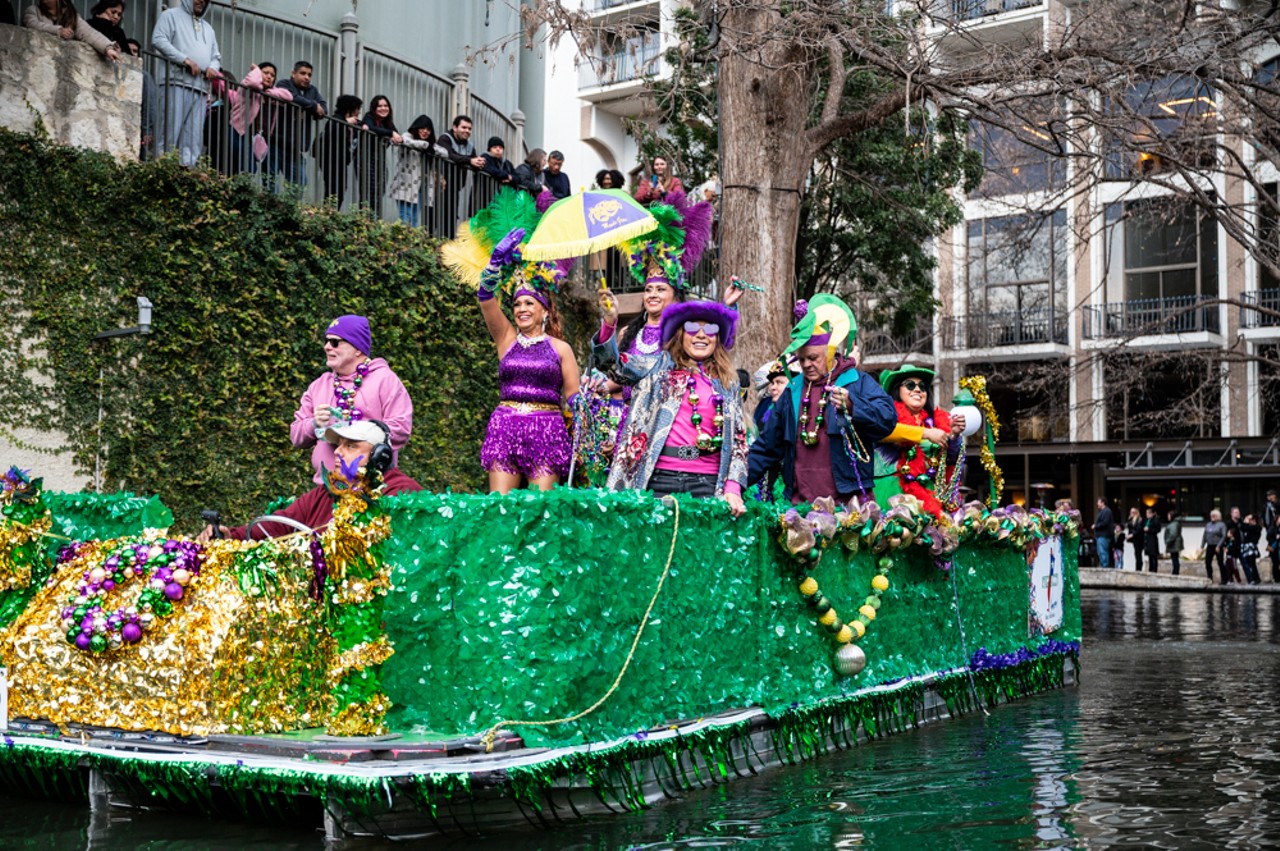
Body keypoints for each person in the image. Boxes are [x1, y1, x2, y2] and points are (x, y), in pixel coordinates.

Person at [595, 299, 747, 516]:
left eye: (711, 329)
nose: (701, 335)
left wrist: (732, 488)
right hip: (657, 479)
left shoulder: (728, 383)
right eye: (692, 327)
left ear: (718, 338)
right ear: (680, 335)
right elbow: (612, 365)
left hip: (709, 483)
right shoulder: (656, 366)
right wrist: (609, 323)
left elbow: (740, 441)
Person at [747, 295, 898, 505]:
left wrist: (853, 406)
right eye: (801, 359)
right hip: (800, 507)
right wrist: (734, 486)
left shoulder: (856, 381)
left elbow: (888, 420)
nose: (806, 365)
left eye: (813, 358)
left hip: (849, 508)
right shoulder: (792, 390)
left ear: (829, 352)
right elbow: (767, 446)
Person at [475, 229, 580, 494]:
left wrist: (584, 408)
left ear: (544, 309)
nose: (522, 309)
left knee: (540, 512)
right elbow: (485, 298)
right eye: (517, 304)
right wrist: (494, 264)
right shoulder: (506, 339)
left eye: (529, 303)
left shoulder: (561, 348)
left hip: (547, 431)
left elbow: (574, 396)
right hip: (505, 429)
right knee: (500, 507)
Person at [198, 421, 421, 541]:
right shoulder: (328, 491)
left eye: (351, 446)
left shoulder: (401, 493)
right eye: (338, 444)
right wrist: (232, 536)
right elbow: (280, 522)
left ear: (379, 457)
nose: (338, 452)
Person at [291, 314, 412, 485]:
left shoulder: (385, 380)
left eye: (335, 342)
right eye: (326, 341)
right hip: (326, 489)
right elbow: (296, 436)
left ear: (357, 348)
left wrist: (353, 431)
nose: (327, 347)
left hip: (370, 491)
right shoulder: (318, 385)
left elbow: (401, 429)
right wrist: (314, 423)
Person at [878, 365, 966, 517]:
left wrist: (954, 435)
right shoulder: (885, 416)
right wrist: (926, 434)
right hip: (894, 492)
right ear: (897, 390)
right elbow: (885, 431)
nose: (917, 390)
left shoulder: (935, 422)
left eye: (922, 386)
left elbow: (951, 461)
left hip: (930, 496)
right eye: (910, 385)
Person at [150, 0, 219, 168]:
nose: (201, 2)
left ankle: (186, 170)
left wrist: (212, 67)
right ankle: (163, 167)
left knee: (193, 136)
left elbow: (216, 56)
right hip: (175, 82)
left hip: (200, 88)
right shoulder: (170, 16)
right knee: (169, 131)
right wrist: (184, 59)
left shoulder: (208, 29)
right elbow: (158, 39)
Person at [218, 62, 292, 176]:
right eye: (265, 73)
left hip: (252, 137)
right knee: (238, 167)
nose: (269, 77)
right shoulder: (247, 85)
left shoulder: (269, 94)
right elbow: (254, 82)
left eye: (272, 75)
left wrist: (268, 92)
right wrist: (256, 70)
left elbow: (288, 96)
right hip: (237, 130)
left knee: (249, 169)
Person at [272, 60, 327, 192]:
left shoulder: (312, 90)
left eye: (309, 74)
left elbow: (324, 108)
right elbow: (291, 97)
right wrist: (313, 106)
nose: (307, 77)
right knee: (270, 181)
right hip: (276, 142)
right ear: (293, 73)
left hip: (296, 147)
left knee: (300, 185)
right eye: (303, 73)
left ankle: (289, 211)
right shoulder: (284, 84)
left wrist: (308, 106)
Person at [389, 115, 445, 229]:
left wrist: (430, 147)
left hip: (420, 187)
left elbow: (444, 153)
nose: (425, 131)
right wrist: (425, 145)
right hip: (405, 185)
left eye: (428, 129)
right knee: (405, 218)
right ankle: (403, 243)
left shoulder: (431, 144)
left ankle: (409, 245)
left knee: (414, 220)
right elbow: (405, 141)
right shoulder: (407, 136)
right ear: (416, 127)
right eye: (423, 128)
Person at [23, 0, 120, 61]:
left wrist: (107, 48)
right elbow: (32, 24)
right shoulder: (32, 10)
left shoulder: (71, 16)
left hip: (63, 64)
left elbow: (88, 33)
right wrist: (58, 31)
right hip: (37, 59)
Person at [358, 95, 402, 217]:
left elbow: (398, 136)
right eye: (380, 106)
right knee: (368, 190)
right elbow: (371, 128)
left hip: (380, 160)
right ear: (374, 108)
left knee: (379, 190)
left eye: (386, 105)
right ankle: (364, 219)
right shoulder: (369, 117)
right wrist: (391, 133)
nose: (383, 108)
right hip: (365, 158)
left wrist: (396, 138)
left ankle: (374, 219)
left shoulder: (388, 123)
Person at [314, 94, 362, 207]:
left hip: (342, 161)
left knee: (341, 188)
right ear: (350, 108)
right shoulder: (337, 119)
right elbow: (332, 131)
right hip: (330, 159)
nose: (358, 112)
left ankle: (332, 213)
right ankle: (328, 213)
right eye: (357, 109)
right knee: (333, 187)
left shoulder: (354, 123)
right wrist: (345, 122)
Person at [438, 115, 485, 227]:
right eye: (464, 127)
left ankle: (447, 241)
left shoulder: (470, 145)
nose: (467, 131)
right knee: (436, 215)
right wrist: (470, 160)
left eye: (469, 129)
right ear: (454, 127)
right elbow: (449, 155)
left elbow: (473, 161)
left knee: (452, 215)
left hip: (456, 186)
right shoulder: (445, 138)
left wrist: (480, 162)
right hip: (440, 184)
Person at [1202, 509, 1227, 582]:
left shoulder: (1222, 525)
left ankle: (1224, 579)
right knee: (1207, 562)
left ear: (1218, 516)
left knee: (1220, 562)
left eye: (1214, 515)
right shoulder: (1208, 524)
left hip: (1218, 546)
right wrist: (1202, 546)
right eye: (1211, 515)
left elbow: (1224, 536)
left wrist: (1219, 546)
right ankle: (1209, 577)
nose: (1212, 517)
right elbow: (1205, 535)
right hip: (1210, 546)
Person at [1240, 512, 1262, 585]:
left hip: (1251, 546)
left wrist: (1246, 522)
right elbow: (1242, 528)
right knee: (1249, 563)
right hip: (1246, 546)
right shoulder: (1249, 527)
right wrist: (1245, 522)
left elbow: (1246, 527)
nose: (1249, 521)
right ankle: (1253, 578)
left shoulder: (1257, 527)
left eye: (1250, 519)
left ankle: (1256, 578)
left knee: (1252, 563)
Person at [1094, 497, 1116, 569]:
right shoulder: (1103, 511)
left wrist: (1096, 526)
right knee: (1100, 551)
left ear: (1103, 503)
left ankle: (1104, 566)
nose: (1097, 504)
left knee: (1103, 551)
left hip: (1104, 535)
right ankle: (1103, 564)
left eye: (1099, 502)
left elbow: (1105, 522)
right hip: (1101, 535)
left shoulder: (1106, 511)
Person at [1263, 489, 1280, 581]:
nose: (1269, 497)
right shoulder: (1266, 505)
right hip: (1270, 527)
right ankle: (1276, 578)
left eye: (1270, 495)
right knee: (1275, 559)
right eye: (1268, 496)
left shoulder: (1277, 503)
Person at [1163, 509, 1183, 576]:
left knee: (1174, 559)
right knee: (1175, 558)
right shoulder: (1176, 523)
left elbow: (1173, 534)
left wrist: (1167, 541)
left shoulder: (1173, 524)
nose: (1167, 517)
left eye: (1168, 515)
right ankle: (1175, 571)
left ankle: (1175, 572)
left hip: (1173, 544)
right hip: (1175, 544)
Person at [1125, 507, 1145, 571]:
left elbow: (1139, 529)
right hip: (1134, 540)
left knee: (1138, 553)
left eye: (1133, 512)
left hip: (1139, 539)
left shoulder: (1140, 519)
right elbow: (1129, 527)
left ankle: (1139, 568)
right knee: (1136, 553)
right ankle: (1137, 568)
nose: (1132, 513)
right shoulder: (1131, 519)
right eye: (1131, 512)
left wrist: (1132, 534)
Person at [1142, 507, 1161, 573]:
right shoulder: (1146, 520)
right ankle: (1150, 569)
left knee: (1153, 556)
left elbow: (1158, 529)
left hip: (1152, 539)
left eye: (1149, 513)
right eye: (1146, 513)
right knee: (1149, 556)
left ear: (1152, 514)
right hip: (1147, 539)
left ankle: (1154, 570)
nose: (1147, 514)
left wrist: (1149, 529)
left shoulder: (1155, 520)